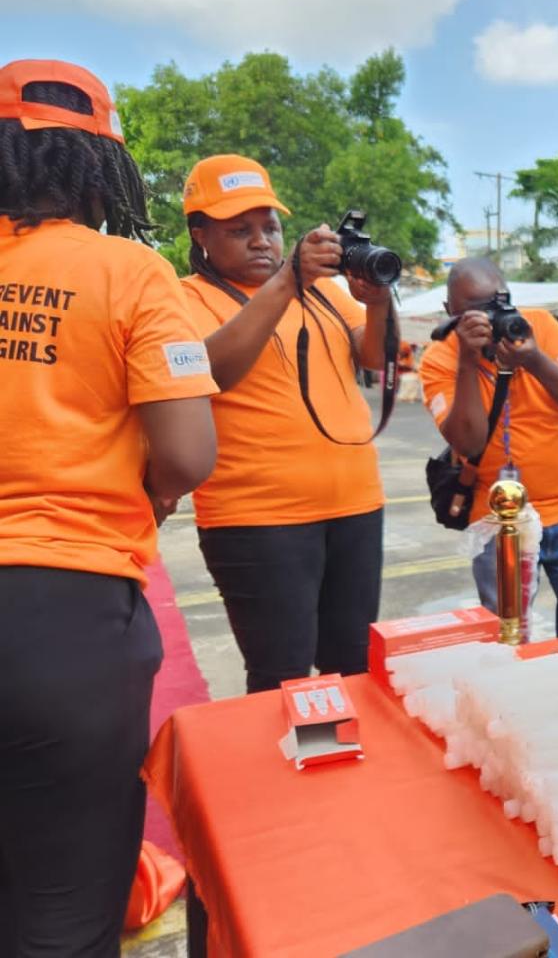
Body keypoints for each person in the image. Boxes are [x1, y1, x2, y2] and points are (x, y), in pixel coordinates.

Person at [0, 59, 218, 953]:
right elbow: (187, 452)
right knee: (63, 907)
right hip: (65, 616)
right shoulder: (128, 272)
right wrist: (150, 496)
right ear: (105, 168)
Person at [179, 155, 392, 695]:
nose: (261, 242)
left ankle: (345, 777)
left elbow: (373, 358)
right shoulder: (183, 298)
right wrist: (287, 280)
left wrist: (378, 300)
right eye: (240, 230)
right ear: (200, 233)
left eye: (270, 227)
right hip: (256, 519)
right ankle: (285, 775)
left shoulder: (322, 292)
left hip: (356, 506)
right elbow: (212, 372)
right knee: (282, 677)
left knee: (354, 668)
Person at [420, 257, 558, 635]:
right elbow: (467, 440)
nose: (492, 319)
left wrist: (533, 358)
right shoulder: (439, 358)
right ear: (450, 313)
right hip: (497, 522)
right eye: (475, 312)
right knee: (508, 637)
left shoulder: (538, 326)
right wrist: (467, 359)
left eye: (500, 303)